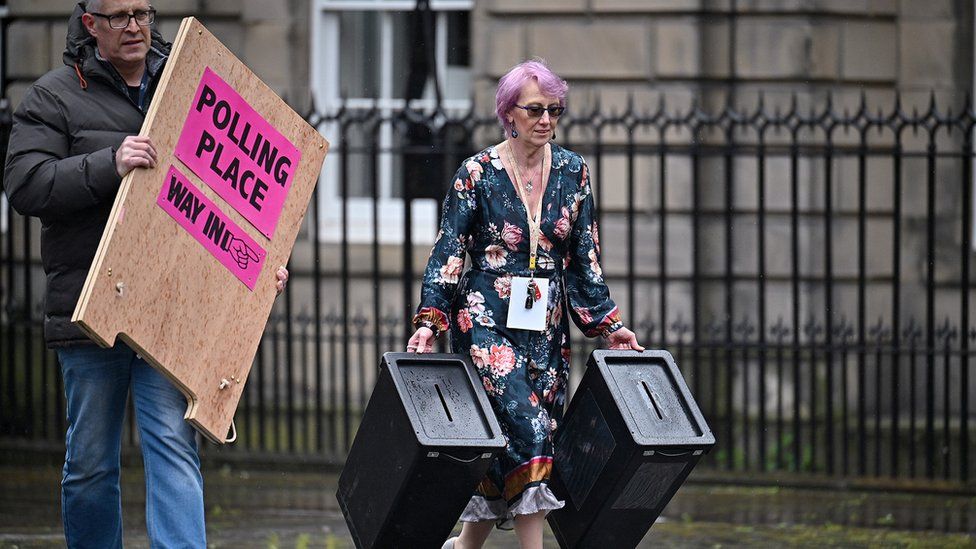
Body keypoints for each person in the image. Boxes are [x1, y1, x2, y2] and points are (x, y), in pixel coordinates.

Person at [3, 2, 288, 547]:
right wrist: (109, 163)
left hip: (172, 309)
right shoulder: (52, 96)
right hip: (91, 308)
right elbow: (26, 185)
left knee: (173, 446)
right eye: (118, 16)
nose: (134, 26)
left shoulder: (190, 79)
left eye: (142, 12)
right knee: (90, 460)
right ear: (90, 24)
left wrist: (260, 263)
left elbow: (232, 196)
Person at [406, 59, 644, 549]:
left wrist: (608, 325)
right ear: (508, 113)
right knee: (529, 427)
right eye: (535, 109)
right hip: (486, 317)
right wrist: (431, 320)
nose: (546, 119)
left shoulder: (574, 173)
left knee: (516, 436)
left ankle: (466, 546)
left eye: (555, 109)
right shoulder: (477, 173)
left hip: (545, 324)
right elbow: (449, 249)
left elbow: (585, 258)